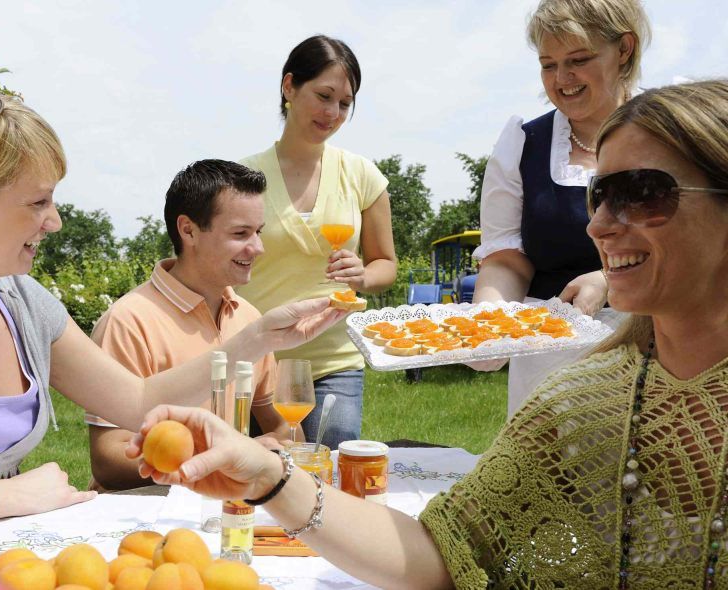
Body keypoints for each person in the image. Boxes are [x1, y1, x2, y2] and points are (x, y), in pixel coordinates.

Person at [129, 80, 728, 588]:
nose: (598, 224)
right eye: (601, 194)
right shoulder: (579, 404)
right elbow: (443, 550)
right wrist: (267, 476)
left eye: (643, 195)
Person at [0, 82, 345, 519]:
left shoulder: (25, 304)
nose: (54, 222)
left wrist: (260, 336)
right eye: (37, 202)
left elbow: (137, 399)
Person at [471, 0, 650, 417]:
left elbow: (702, 247)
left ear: (623, 49)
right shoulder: (523, 143)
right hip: (546, 367)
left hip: (649, 355)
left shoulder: (668, 131)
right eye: (548, 64)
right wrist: (486, 321)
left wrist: (610, 277)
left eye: (578, 60)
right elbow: (508, 261)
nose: (562, 79)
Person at [86, 159, 295, 492]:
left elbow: (282, 427)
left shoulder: (249, 318)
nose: (258, 248)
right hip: (143, 518)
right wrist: (219, 460)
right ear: (189, 230)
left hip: (223, 509)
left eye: (258, 231)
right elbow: (108, 460)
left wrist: (269, 447)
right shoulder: (128, 322)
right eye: (240, 233)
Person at [238, 35, 397, 449]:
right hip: (256, 362)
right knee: (248, 490)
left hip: (333, 362)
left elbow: (386, 265)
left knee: (326, 484)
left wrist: (363, 274)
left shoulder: (362, 176)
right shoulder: (241, 178)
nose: (333, 113)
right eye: (324, 96)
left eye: (345, 103)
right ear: (289, 87)